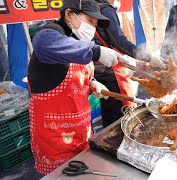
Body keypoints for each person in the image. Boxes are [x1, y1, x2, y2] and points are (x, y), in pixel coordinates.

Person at [27, 0, 123, 174]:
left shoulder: (76, 40)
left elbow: (75, 75)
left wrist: (92, 83)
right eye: (90, 21)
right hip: (54, 138)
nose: (92, 29)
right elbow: (43, 44)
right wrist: (97, 51)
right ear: (69, 15)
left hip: (81, 130)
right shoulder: (51, 33)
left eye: (95, 25)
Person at [94, 0, 164, 127]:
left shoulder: (94, 6)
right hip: (112, 71)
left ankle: (106, 142)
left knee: (109, 110)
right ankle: (121, 142)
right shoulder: (105, 9)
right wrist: (148, 57)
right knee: (124, 113)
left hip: (100, 69)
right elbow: (120, 42)